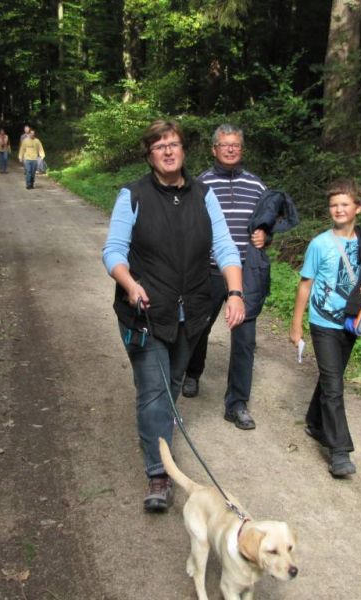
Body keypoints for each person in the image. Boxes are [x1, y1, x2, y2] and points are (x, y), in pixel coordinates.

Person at [102, 119, 244, 513]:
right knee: (153, 390)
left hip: (192, 312)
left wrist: (234, 291)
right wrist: (130, 285)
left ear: (184, 151)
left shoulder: (205, 195)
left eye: (174, 144)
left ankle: (160, 433)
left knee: (173, 385)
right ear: (150, 155)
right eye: (159, 146)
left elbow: (226, 248)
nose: (167, 151)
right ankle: (158, 474)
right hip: (145, 312)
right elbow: (113, 251)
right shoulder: (133, 194)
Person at [289, 178, 361, 477]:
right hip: (323, 322)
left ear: (358, 207)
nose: (339, 209)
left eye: (345, 204)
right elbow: (305, 285)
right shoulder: (319, 244)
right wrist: (296, 325)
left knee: (332, 377)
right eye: (334, 205)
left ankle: (316, 422)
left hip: (351, 320)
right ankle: (339, 451)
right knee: (334, 384)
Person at [181, 124, 267, 431]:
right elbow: (187, 225)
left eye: (236, 145)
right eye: (224, 145)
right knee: (198, 328)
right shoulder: (200, 183)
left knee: (244, 340)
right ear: (214, 149)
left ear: (242, 150)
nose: (230, 149)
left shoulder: (257, 186)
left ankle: (237, 404)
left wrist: (263, 236)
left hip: (245, 275)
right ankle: (192, 373)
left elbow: (266, 223)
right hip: (208, 272)